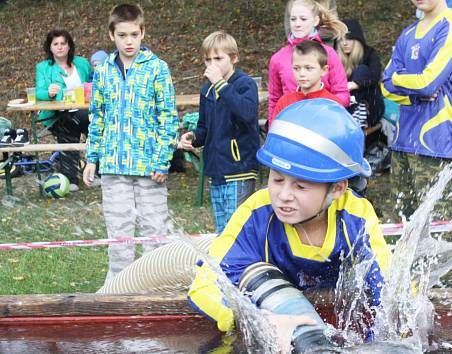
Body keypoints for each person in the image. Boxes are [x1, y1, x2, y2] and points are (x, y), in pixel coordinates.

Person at [188, 99, 391, 351]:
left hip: (320, 327)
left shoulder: (355, 216)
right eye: (277, 179)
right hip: (271, 303)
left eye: (300, 186)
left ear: (337, 188)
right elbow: (205, 285)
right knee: (254, 274)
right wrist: (255, 319)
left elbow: (389, 286)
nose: (283, 195)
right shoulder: (257, 213)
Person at [83, 4, 178, 283]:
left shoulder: (158, 69)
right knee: (119, 233)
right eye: (122, 35)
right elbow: (97, 118)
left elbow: (168, 118)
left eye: (134, 35)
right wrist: (92, 158)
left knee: (154, 232)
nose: (128, 41)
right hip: (113, 167)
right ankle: (119, 287)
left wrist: (163, 160)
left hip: (150, 168)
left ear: (143, 32)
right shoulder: (102, 73)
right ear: (112, 35)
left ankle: (156, 284)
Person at [380, 0, 452, 221]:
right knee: (403, 228)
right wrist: (412, 96)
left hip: (436, 142)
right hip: (403, 141)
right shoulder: (409, 32)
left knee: (438, 230)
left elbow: (427, 83)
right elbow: (384, 85)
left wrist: (398, 80)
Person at [178, 31, 259, 233]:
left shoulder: (244, 84)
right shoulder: (207, 89)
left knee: (237, 231)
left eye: (218, 58)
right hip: (216, 171)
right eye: (208, 59)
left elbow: (247, 114)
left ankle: (241, 265)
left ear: (234, 58)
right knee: (223, 232)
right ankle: (223, 265)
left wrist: (221, 85)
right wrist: (193, 137)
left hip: (239, 170)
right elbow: (205, 127)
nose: (212, 64)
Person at [268, 0, 349, 121]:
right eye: (293, 19)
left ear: (315, 21)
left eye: (303, 19)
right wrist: (272, 131)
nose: (297, 24)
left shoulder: (329, 54)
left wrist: (322, 110)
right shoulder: (277, 59)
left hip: (323, 123)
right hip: (291, 124)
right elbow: (274, 100)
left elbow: (342, 94)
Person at [35, 29, 92, 191]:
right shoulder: (43, 68)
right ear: (50, 47)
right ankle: (72, 177)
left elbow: (93, 82)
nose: (60, 47)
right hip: (57, 114)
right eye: (56, 44)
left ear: (69, 46)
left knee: (96, 123)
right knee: (70, 122)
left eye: (63, 43)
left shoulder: (82, 63)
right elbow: (38, 92)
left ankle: (80, 174)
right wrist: (49, 93)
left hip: (84, 112)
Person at [268, 40, 344, 126]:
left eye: (308, 68)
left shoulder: (333, 104)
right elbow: (276, 135)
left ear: (324, 70)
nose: (302, 74)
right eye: (296, 68)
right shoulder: (284, 103)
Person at [336, 19, 385, 149]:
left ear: (357, 39)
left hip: (372, 108)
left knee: (362, 70)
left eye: (349, 39)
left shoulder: (369, 53)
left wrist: (354, 84)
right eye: (341, 39)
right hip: (347, 107)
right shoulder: (336, 57)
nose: (344, 43)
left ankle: (354, 120)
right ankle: (350, 119)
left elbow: (375, 75)